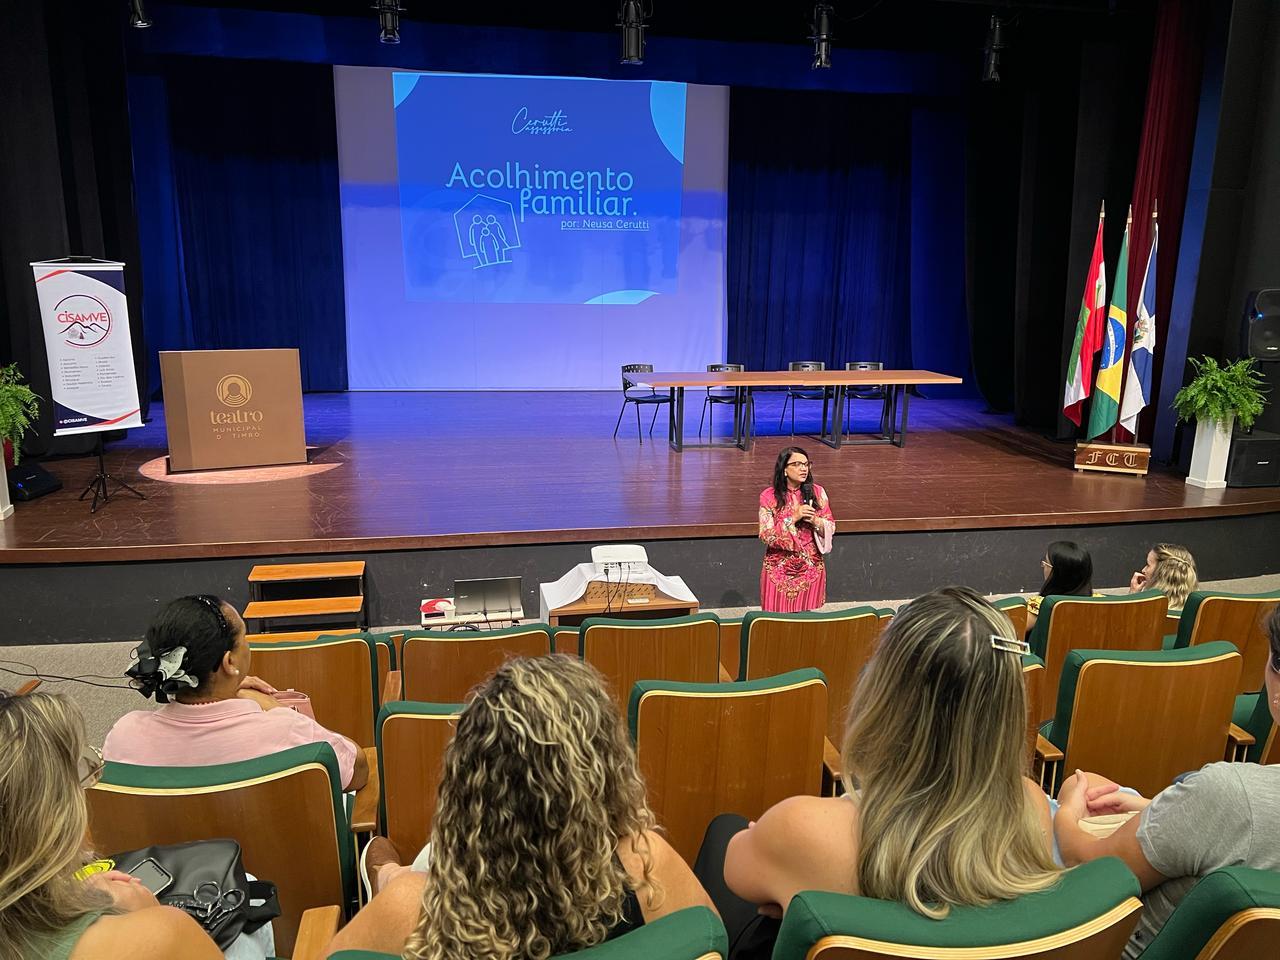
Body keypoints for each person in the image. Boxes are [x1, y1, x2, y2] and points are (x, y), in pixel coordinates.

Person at [718, 587, 1058, 947]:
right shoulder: (1032, 808)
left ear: (883, 697)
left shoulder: (801, 829)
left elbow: (735, 871)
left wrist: (792, 871)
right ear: (1007, 708)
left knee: (724, 829)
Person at [323, 655, 716, 959]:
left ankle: (383, 871)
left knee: (405, 875)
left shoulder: (409, 912)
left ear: (465, 787)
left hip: (425, 888)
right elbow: (708, 943)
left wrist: (397, 886)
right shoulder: (647, 866)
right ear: (606, 775)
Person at [1055, 603, 1280, 958]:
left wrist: (1065, 812)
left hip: (1119, 946)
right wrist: (1153, 807)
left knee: (1045, 799)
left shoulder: (1226, 794)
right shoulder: (1227, 799)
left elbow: (1090, 867)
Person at [0, 689, 223, 960]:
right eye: (81, 772)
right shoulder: (163, 937)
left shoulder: (125, 730)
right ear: (49, 814)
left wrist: (66, 895)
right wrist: (148, 918)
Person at [103, 595, 367, 791]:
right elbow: (358, 769)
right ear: (229, 663)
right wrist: (271, 706)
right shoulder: (285, 729)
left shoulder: (125, 736)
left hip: (159, 866)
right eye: (244, 638)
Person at [758, 447, 835, 612]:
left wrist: (814, 520)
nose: (803, 468)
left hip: (809, 565)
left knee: (805, 624)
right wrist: (793, 517)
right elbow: (766, 535)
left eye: (806, 464)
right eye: (797, 464)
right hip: (779, 567)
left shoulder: (817, 492)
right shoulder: (769, 496)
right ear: (785, 469)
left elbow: (831, 526)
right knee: (777, 621)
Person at [1026, 541, 1096, 634]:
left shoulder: (1040, 606)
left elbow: (1010, 632)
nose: (1043, 566)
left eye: (1046, 562)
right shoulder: (1104, 603)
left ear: (1057, 573)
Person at [1128, 543, 1198, 613]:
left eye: (1148, 565)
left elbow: (1127, 622)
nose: (1143, 570)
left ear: (1162, 573)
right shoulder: (1199, 611)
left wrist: (1132, 597)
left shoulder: (1147, 612)